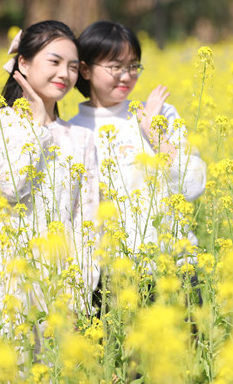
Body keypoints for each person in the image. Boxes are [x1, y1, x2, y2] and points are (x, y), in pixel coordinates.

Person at [0, 20, 99, 333]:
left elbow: (89, 224)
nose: (64, 74)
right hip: (1, 279)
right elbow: (13, 185)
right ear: (23, 63)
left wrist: (81, 292)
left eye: (71, 66)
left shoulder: (81, 138)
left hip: (58, 285)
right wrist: (38, 126)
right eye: (54, 62)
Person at [69, 20, 206, 284]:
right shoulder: (72, 131)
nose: (127, 75)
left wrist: (154, 132)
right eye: (115, 67)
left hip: (174, 270)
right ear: (85, 69)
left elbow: (193, 187)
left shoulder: (161, 114)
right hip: (109, 278)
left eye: (133, 66)